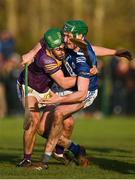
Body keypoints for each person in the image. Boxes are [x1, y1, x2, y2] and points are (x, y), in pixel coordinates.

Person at [37, 20, 133, 169]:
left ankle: (44, 161)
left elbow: (81, 94)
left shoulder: (82, 60)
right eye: (65, 35)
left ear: (80, 36)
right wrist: (114, 52)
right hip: (70, 87)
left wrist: (58, 98)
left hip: (85, 91)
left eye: (69, 36)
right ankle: (75, 149)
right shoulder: (76, 43)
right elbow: (91, 48)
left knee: (58, 113)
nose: (65, 39)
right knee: (42, 129)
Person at [17, 28, 85, 168]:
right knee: (33, 121)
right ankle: (26, 160)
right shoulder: (45, 59)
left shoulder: (55, 42)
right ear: (49, 48)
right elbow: (63, 82)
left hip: (47, 89)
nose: (62, 51)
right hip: (29, 87)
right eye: (58, 49)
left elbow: (43, 38)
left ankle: (67, 150)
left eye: (62, 47)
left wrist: (114, 53)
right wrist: (85, 77)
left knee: (67, 123)